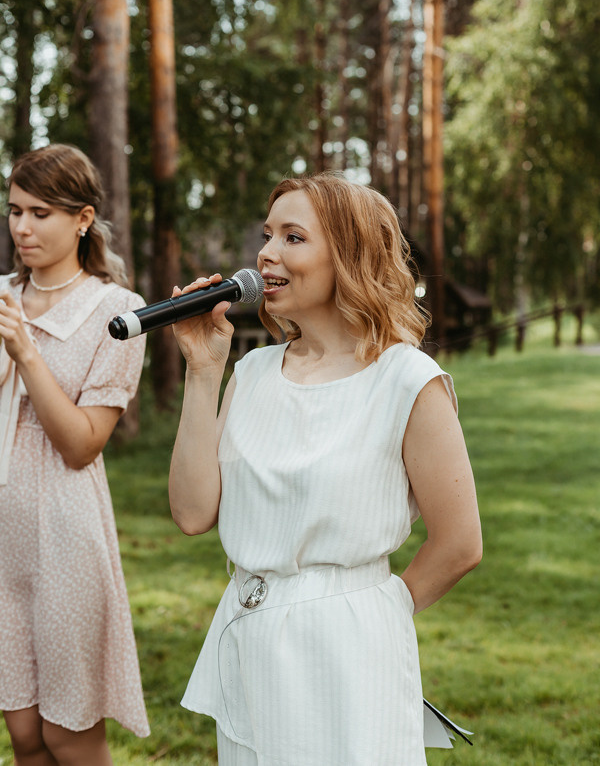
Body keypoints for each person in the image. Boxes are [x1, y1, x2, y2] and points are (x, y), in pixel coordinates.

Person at [168, 171, 483, 765]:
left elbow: (461, 542)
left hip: (347, 653)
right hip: (247, 633)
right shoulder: (253, 373)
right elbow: (191, 513)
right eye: (267, 235)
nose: (266, 252)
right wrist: (202, 370)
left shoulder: (406, 380)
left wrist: (367, 613)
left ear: (349, 256)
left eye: (293, 237)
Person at [0, 144, 150, 765]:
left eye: (41, 213)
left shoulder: (117, 312)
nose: (22, 228)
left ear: (83, 218)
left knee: (68, 733)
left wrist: (26, 352)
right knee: (26, 736)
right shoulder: (3, 293)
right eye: (14, 211)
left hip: (64, 532)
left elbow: (83, 444)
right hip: (2, 538)